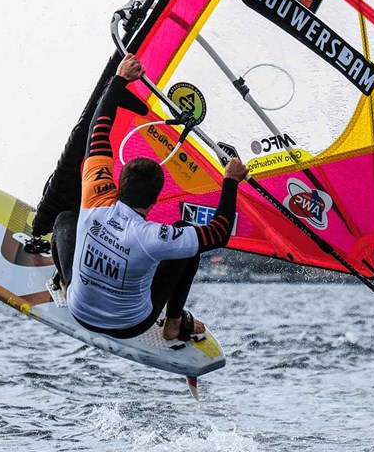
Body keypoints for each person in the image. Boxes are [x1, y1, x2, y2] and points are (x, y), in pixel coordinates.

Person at [51, 53, 248, 342]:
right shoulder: (154, 237)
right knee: (186, 239)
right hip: (131, 325)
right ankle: (174, 322)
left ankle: (66, 284)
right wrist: (230, 181)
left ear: (117, 184)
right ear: (156, 200)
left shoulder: (95, 200)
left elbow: (98, 130)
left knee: (65, 219)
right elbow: (219, 233)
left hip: (79, 310)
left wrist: (119, 79)